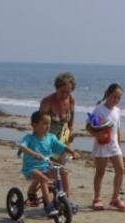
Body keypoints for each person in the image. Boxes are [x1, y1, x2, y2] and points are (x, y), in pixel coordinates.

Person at [19, 111, 80, 217]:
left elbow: (61, 145)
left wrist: (72, 152)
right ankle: (48, 205)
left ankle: (66, 200)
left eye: (49, 124)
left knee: (63, 172)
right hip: (31, 168)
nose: (48, 126)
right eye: (45, 123)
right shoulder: (29, 138)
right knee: (44, 179)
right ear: (34, 125)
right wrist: (34, 153)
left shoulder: (51, 137)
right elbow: (22, 147)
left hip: (46, 165)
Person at [36, 73, 77, 207]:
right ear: (56, 88)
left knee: (61, 169)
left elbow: (70, 122)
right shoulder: (47, 102)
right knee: (48, 170)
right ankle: (35, 191)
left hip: (63, 137)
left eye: (68, 91)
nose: (65, 94)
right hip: (48, 139)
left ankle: (65, 200)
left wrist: (67, 138)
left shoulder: (71, 100)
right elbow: (40, 124)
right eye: (63, 91)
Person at [86, 83, 125, 211]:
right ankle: (97, 198)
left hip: (114, 145)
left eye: (118, 98)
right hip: (101, 145)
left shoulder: (117, 111)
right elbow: (88, 126)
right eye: (114, 97)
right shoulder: (99, 109)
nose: (116, 100)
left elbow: (117, 129)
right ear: (108, 94)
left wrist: (119, 145)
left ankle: (115, 198)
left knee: (120, 169)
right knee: (100, 172)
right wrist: (97, 135)